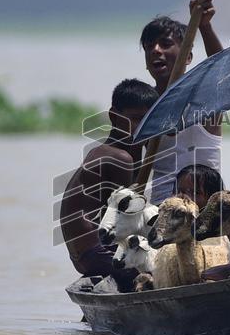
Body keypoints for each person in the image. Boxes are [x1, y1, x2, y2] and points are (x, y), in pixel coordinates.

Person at [59, 78, 159, 284]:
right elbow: (126, 221)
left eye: (148, 120)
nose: (142, 127)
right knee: (161, 270)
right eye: (135, 119)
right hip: (97, 250)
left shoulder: (126, 151)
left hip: (84, 253)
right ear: (114, 117)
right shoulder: (119, 158)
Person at [142, 0, 224, 204]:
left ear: (187, 57)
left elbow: (221, 68)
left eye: (165, 44)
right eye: (149, 47)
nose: (156, 51)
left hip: (206, 210)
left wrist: (204, 27)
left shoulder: (204, 99)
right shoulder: (143, 105)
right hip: (160, 210)